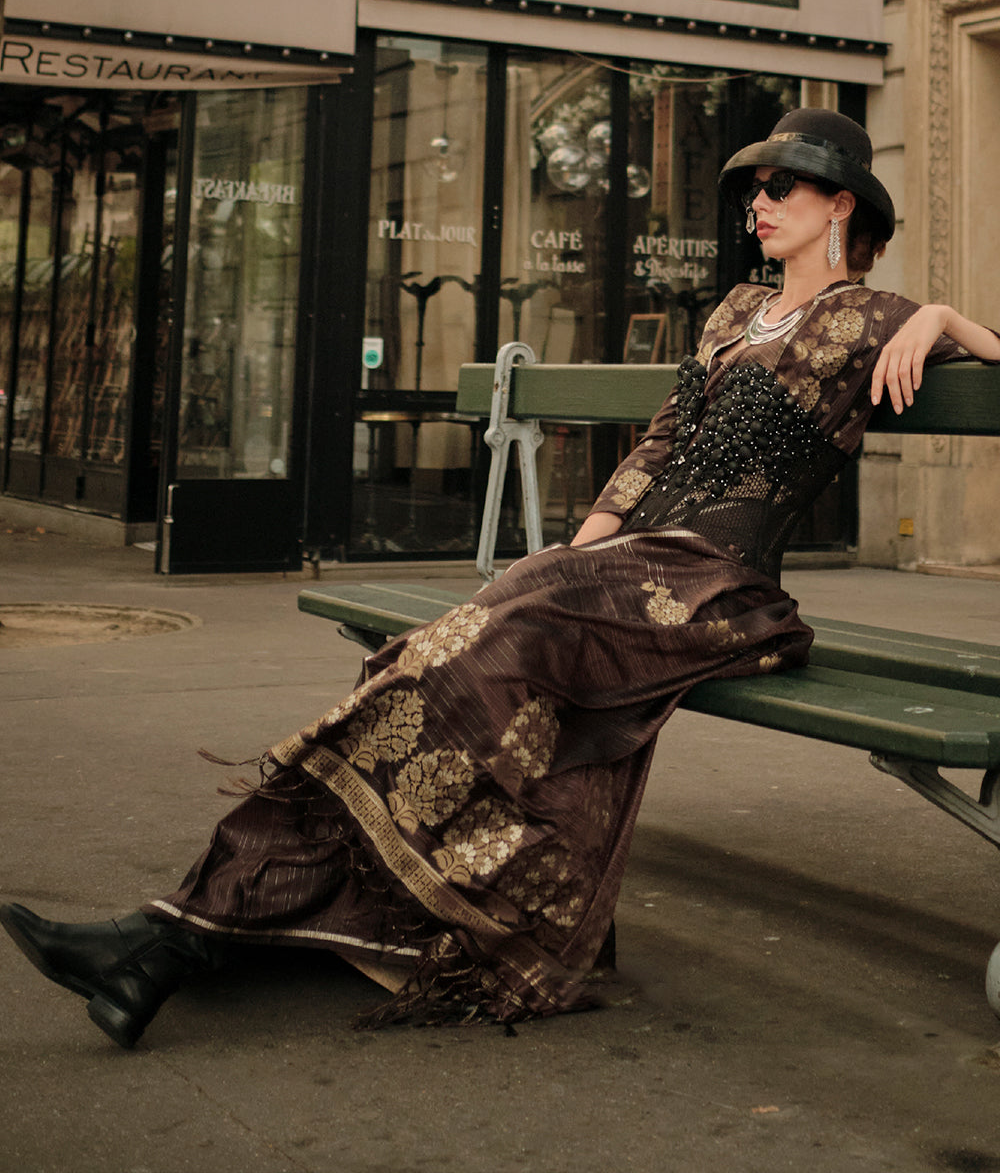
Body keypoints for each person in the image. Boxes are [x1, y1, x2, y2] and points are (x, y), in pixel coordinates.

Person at [4, 109, 999, 1050]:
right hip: (628, 567)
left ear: (843, 209)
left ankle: (176, 941)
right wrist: (569, 552)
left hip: (719, 589)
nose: (760, 199)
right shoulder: (734, 309)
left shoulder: (874, 314)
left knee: (493, 652)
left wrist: (946, 318)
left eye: (786, 185)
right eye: (757, 184)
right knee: (422, 657)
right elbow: (658, 445)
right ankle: (174, 935)